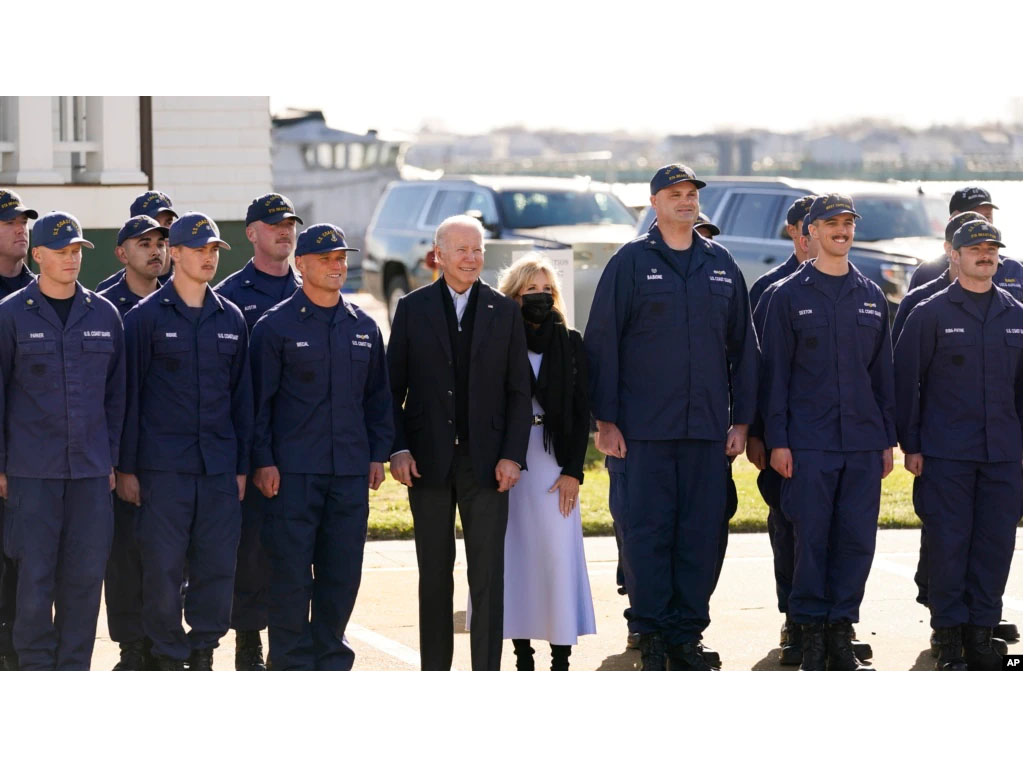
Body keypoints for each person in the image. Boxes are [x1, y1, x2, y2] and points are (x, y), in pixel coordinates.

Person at [585, 164, 758, 671]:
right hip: (643, 432)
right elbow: (603, 343)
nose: (686, 201)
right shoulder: (631, 263)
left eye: (691, 194)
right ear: (655, 204)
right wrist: (606, 420)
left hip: (706, 431)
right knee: (646, 533)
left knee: (701, 535)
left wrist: (742, 421)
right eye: (675, 194)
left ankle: (688, 634)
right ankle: (651, 631)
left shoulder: (721, 264)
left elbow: (743, 350)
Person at [387, 214, 531, 671]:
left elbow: (518, 393)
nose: (471, 258)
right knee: (434, 575)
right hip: (426, 464)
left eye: (478, 250)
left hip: (488, 464)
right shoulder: (412, 309)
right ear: (439, 255)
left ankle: (486, 671)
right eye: (462, 250)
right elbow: (391, 389)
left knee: (488, 575)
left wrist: (512, 455)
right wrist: (398, 448)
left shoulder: (504, 311)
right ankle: (436, 671)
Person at [760, 193, 896, 671]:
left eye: (848, 223)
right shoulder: (786, 297)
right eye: (831, 223)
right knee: (811, 540)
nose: (842, 230)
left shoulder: (871, 296)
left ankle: (841, 631)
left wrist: (886, 439)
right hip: (808, 443)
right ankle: (811, 636)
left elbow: (883, 376)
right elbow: (773, 377)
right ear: (810, 232)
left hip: (861, 443)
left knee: (856, 540)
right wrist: (777, 440)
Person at [250, 223, 392, 670]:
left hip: (348, 473)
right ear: (302, 264)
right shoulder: (274, 328)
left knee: (341, 573)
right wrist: (263, 461)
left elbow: (378, 400)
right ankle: (290, 663)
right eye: (327, 259)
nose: (337, 266)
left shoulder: (364, 327)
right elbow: (258, 406)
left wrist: (375, 455)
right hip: (292, 475)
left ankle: (332, 659)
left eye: (341, 258)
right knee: (290, 575)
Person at [117, 212, 252, 671]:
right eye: (198, 249)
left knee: (216, 567)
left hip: (217, 469)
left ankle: (203, 649)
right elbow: (128, 397)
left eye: (214, 250)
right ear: (174, 254)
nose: (208, 257)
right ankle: (168, 653)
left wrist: (240, 467)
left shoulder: (230, 317)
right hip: (162, 471)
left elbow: (242, 400)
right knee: (162, 570)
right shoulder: (144, 319)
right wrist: (127, 468)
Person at [893, 219, 1022, 670]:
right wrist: (910, 444)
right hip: (946, 453)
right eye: (975, 248)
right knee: (948, 544)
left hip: (1004, 455)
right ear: (955, 254)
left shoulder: (1016, 314)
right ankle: (947, 636)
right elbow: (905, 384)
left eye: (991, 248)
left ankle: (982, 633)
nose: (985, 254)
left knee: (995, 545)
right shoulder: (929, 313)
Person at [0, 211, 125, 670]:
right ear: (38, 255)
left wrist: (110, 458)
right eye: (61, 251)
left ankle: (74, 673)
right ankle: (35, 672)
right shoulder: (10, 316)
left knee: (84, 582)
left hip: (91, 475)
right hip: (32, 474)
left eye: (76, 251)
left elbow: (118, 395)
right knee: (34, 581)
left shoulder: (105, 314)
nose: (72, 259)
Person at [484, 254, 595, 671]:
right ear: (513, 296)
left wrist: (573, 471)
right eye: (531, 289)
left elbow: (581, 409)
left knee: (555, 551)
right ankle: (522, 652)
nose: (540, 297)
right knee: (515, 554)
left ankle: (561, 654)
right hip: (510, 459)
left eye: (547, 289)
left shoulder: (571, 341)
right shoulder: (498, 341)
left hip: (553, 460)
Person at [215, 193, 303, 671]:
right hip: (252, 442)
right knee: (250, 550)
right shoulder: (230, 294)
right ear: (251, 233)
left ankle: (291, 640)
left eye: (289, 224)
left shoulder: (309, 286)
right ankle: (248, 641)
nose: (284, 232)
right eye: (273, 225)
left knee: (297, 549)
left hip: (304, 442)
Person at [95, 215, 170, 671]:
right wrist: (119, 462)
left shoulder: (182, 299)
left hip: (171, 454)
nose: (156, 251)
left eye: (162, 242)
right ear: (122, 253)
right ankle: (132, 648)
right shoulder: (103, 307)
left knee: (170, 558)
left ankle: (164, 644)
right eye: (144, 243)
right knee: (123, 558)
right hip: (123, 452)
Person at [0, 189, 38, 671]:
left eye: (24, 222)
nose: (19, 229)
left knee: (26, 561)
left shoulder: (41, 290)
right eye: (9, 222)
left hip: (32, 454)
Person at [908, 186, 1022, 297]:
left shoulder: (1013, 269)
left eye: (987, 217)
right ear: (953, 219)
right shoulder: (927, 272)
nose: (981, 223)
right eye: (973, 215)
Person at [97, 191, 178, 292]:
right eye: (153, 222)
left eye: (168, 222)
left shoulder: (189, 282)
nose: (161, 229)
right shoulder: (108, 289)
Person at [748, 195, 816, 311]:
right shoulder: (768, 286)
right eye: (810, 225)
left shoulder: (847, 281)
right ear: (792, 230)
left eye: (826, 224)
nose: (817, 230)